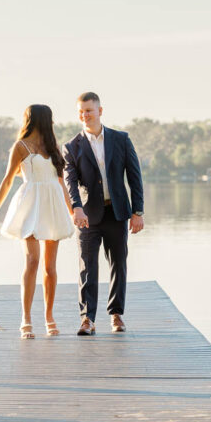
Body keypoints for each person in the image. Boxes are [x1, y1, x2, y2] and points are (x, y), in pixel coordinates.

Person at [0, 104, 74, 338]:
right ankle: (26, 319)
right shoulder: (20, 146)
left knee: (50, 267)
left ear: (33, 119)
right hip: (29, 205)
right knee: (32, 261)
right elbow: (7, 180)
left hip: (52, 205)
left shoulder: (53, 147)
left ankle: (49, 317)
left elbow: (61, 183)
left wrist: (73, 211)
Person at [63, 92, 144, 336]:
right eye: (81, 111)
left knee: (118, 263)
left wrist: (137, 211)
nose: (85, 115)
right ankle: (87, 318)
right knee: (87, 267)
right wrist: (76, 207)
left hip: (117, 212)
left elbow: (134, 176)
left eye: (89, 110)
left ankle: (116, 314)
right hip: (87, 216)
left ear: (100, 111)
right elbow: (70, 181)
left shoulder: (121, 139)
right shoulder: (71, 147)